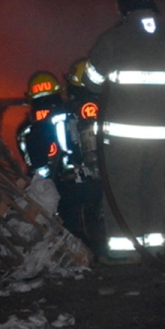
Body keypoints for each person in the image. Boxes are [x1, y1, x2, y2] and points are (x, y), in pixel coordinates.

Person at [83, 0, 165, 261]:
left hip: (123, 136)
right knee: (156, 191)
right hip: (163, 135)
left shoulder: (113, 39)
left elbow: (91, 81)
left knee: (123, 191)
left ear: (123, 5)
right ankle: (156, 248)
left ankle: (125, 253)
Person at [16, 70, 91, 244]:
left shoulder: (27, 129)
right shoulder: (71, 115)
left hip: (46, 190)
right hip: (78, 183)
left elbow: (29, 160)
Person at [61, 58, 105, 255]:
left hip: (92, 178)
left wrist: (90, 172)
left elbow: (91, 147)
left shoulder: (88, 106)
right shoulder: (86, 105)